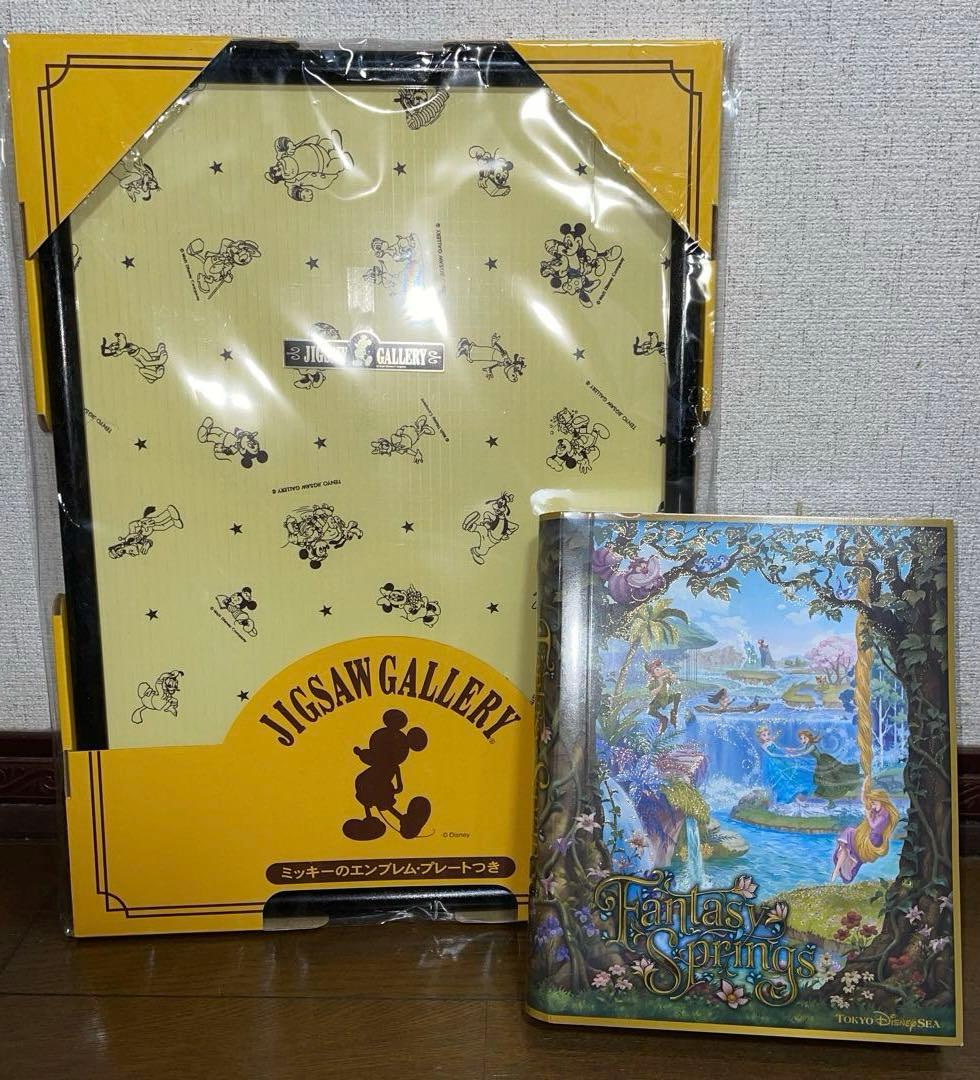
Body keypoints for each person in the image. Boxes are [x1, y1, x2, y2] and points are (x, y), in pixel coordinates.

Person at [830, 786, 900, 882]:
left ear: (881, 801)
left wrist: (868, 815)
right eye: (872, 803)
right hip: (868, 837)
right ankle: (836, 870)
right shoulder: (877, 809)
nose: (872, 806)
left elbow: (874, 826)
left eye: (874, 803)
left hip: (873, 840)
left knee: (849, 832)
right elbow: (864, 800)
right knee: (845, 847)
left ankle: (839, 869)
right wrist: (864, 787)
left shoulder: (884, 815)